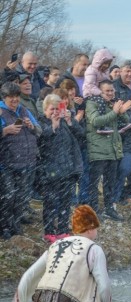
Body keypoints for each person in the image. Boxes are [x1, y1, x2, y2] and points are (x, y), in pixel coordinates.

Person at [13, 205, 111, 302]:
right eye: (96, 228)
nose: (97, 232)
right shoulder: (94, 249)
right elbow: (104, 285)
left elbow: (29, 276)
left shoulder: (56, 244)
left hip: (40, 297)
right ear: (90, 229)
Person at [37, 94, 84, 243]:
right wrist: (53, 127)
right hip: (49, 170)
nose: (55, 112)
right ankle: (49, 231)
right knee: (50, 203)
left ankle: (63, 229)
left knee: (65, 202)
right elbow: (41, 142)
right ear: (45, 109)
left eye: (58, 109)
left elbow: (81, 136)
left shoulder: (65, 122)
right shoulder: (40, 121)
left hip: (67, 169)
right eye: (52, 109)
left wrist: (70, 120)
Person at [0, 81, 42, 239]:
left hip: (27, 161)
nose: (14, 100)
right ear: (4, 98)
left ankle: (15, 224)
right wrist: (4, 130)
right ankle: (4, 227)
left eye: (16, 97)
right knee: (8, 196)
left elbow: (39, 131)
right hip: (7, 162)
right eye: (10, 97)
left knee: (22, 195)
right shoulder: (0, 111)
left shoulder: (24, 110)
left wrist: (31, 126)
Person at [85, 80, 131, 221]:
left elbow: (126, 121)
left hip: (113, 149)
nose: (111, 93)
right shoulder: (92, 103)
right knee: (94, 183)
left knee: (110, 182)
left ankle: (109, 208)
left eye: (112, 90)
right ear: (100, 91)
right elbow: (96, 121)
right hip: (98, 149)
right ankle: (93, 209)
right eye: (107, 91)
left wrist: (121, 112)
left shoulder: (113, 103)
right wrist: (115, 112)